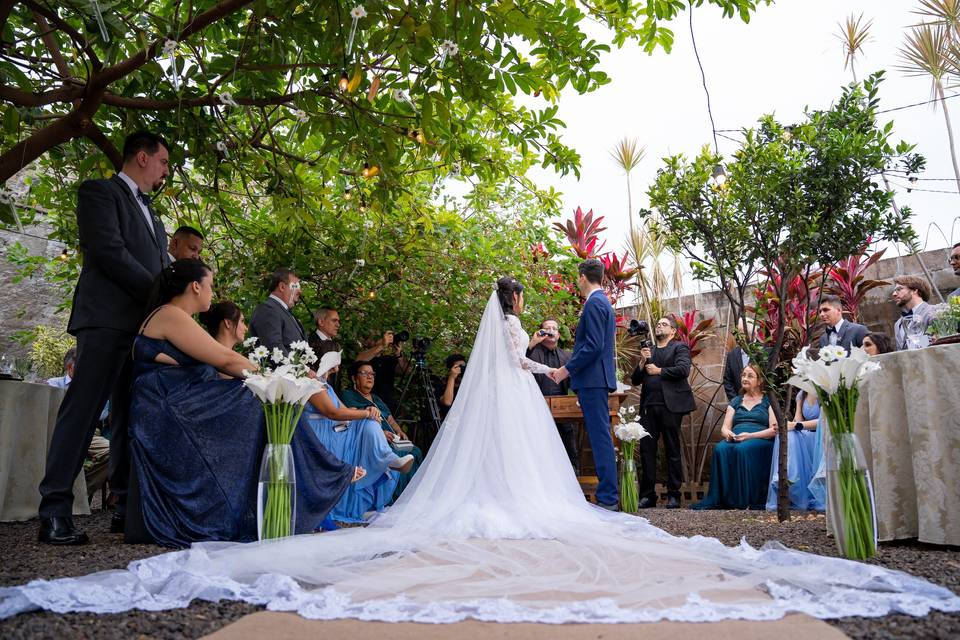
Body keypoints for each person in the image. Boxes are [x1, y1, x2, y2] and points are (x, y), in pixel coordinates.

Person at [5, 281, 960, 623]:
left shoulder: (510, 335)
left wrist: (539, 373)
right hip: (528, 414)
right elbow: (530, 373)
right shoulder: (515, 337)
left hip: (521, 412)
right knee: (543, 489)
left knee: (515, 482)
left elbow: (526, 371)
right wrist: (544, 376)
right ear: (512, 307)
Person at [125, 260, 359, 547]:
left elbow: (223, 366)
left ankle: (316, 480)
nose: (212, 293)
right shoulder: (171, 315)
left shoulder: (176, 317)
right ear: (195, 286)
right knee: (259, 399)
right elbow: (226, 359)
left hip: (179, 404)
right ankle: (323, 476)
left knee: (259, 398)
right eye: (210, 285)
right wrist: (274, 381)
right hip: (166, 409)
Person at [38, 131, 172, 546]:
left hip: (142, 330)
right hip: (106, 321)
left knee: (130, 418)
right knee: (83, 412)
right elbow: (108, 252)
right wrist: (160, 293)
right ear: (143, 157)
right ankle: (54, 510)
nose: (167, 171)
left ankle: (124, 507)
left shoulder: (155, 215)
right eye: (164, 162)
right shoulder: (99, 192)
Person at [306, 356, 411, 524]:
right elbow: (333, 413)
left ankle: (389, 459)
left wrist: (366, 411)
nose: (338, 366)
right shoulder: (310, 381)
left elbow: (345, 410)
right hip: (322, 432)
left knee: (369, 421)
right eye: (336, 360)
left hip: (336, 428)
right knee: (368, 419)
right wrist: (366, 413)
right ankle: (387, 459)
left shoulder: (326, 386)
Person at [551, 260, 619, 510]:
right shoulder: (602, 303)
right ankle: (608, 495)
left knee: (600, 436)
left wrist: (565, 370)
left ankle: (608, 498)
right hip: (595, 380)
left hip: (593, 380)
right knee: (600, 435)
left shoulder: (595, 304)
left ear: (582, 277)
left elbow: (592, 346)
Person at [630, 316, 696, 509]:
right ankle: (648, 496)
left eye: (664, 324)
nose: (659, 326)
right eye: (658, 324)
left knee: (672, 449)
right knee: (646, 451)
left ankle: (674, 495)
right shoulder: (649, 350)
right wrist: (642, 362)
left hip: (671, 406)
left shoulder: (679, 348)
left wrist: (659, 371)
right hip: (648, 407)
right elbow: (635, 380)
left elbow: (683, 370)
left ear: (673, 331)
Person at [693, 364, 776, 511]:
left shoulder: (768, 401)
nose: (745, 378)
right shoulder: (736, 401)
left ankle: (743, 500)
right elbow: (724, 428)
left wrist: (750, 436)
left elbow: (774, 430)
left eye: (750, 376)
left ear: (760, 380)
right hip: (737, 437)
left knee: (742, 450)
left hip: (760, 438)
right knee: (720, 449)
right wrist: (729, 435)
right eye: (743, 375)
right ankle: (723, 499)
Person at [340, 360, 423, 501]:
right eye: (364, 373)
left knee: (415, 451)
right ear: (354, 378)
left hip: (392, 438)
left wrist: (399, 431)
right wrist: (380, 433)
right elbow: (352, 418)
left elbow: (389, 419)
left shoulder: (376, 398)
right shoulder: (348, 395)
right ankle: (394, 496)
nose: (369, 376)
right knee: (398, 453)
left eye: (372, 373)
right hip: (370, 440)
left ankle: (411, 494)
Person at [46, 349, 110, 504]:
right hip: (57, 431)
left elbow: (102, 414)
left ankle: (80, 492)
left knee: (114, 452)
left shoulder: (96, 388)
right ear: (70, 367)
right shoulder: (53, 384)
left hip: (89, 432)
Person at [526, 318, 578, 472]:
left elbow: (576, 378)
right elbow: (517, 359)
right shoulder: (531, 352)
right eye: (547, 328)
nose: (550, 331)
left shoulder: (567, 356)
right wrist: (533, 342)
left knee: (567, 438)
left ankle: (573, 472)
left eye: (554, 328)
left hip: (562, 406)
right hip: (536, 405)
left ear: (558, 335)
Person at [765, 386, 822, 512]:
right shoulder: (801, 395)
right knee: (787, 434)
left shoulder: (824, 391)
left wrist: (794, 425)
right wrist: (787, 426)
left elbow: (823, 422)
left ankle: (790, 480)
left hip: (820, 436)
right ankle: (785, 479)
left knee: (790, 431)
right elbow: (798, 419)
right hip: (806, 433)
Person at [249, 268, 306, 352]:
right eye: (295, 286)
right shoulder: (268, 309)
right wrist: (295, 365)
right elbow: (274, 347)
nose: (299, 291)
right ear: (282, 287)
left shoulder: (283, 311)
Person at [891, 275, 935, 350]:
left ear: (915, 290)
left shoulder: (933, 311)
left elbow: (939, 342)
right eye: (894, 290)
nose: (894, 294)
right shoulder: (898, 324)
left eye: (899, 289)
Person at [308, 307, 341, 387]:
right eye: (334, 320)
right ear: (321, 322)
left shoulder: (336, 346)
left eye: (338, 321)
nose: (338, 325)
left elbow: (337, 377)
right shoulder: (307, 342)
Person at [436, 352, 466, 421]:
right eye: (458, 367)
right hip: (448, 425)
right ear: (450, 370)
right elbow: (447, 402)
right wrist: (452, 377)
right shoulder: (441, 386)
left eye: (463, 366)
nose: (461, 370)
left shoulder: (467, 387)